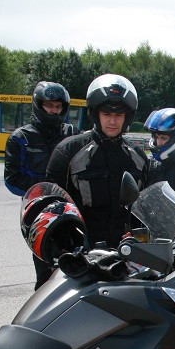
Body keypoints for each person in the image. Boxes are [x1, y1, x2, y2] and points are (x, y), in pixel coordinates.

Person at [46, 74, 148, 251]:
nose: (112, 121)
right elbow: (51, 206)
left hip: (126, 253)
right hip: (79, 253)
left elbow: (147, 208)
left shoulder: (138, 157)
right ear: (95, 113)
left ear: (127, 117)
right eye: (106, 113)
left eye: (119, 114)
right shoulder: (69, 151)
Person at [4, 81, 74, 288]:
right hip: (39, 212)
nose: (53, 111)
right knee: (46, 272)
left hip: (71, 208)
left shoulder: (71, 134)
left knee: (76, 266)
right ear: (38, 105)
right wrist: (47, 187)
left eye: (57, 106)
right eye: (49, 106)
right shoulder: (20, 138)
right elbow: (12, 179)